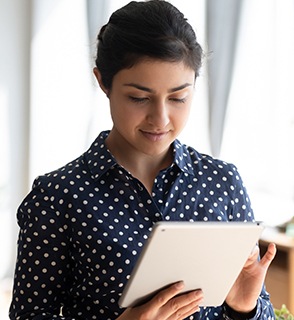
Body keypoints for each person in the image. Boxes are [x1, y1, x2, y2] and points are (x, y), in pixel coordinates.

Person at [9, 1, 276, 319]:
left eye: (179, 97)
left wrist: (245, 307)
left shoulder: (223, 183)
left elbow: (261, 310)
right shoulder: (57, 196)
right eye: (139, 97)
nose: (160, 119)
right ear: (103, 82)